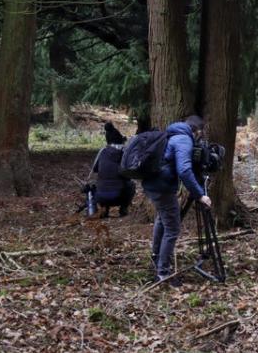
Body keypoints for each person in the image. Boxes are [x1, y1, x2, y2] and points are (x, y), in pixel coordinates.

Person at [143, 115, 212, 284]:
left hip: (153, 185)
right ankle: (163, 273)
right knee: (172, 229)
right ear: (197, 130)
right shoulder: (183, 140)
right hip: (163, 188)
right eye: (201, 133)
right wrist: (200, 194)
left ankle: (156, 257)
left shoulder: (171, 134)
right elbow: (184, 171)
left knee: (162, 220)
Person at [91, 122, 136, 217]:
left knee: (103, 182)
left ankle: (105, 208)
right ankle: (123, 208)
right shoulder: (124, 152)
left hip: (100, 196)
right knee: (131, 185)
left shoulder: (102, 151)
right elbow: (130, 171)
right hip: (118, 196)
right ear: (120, 138)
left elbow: (95, 169)